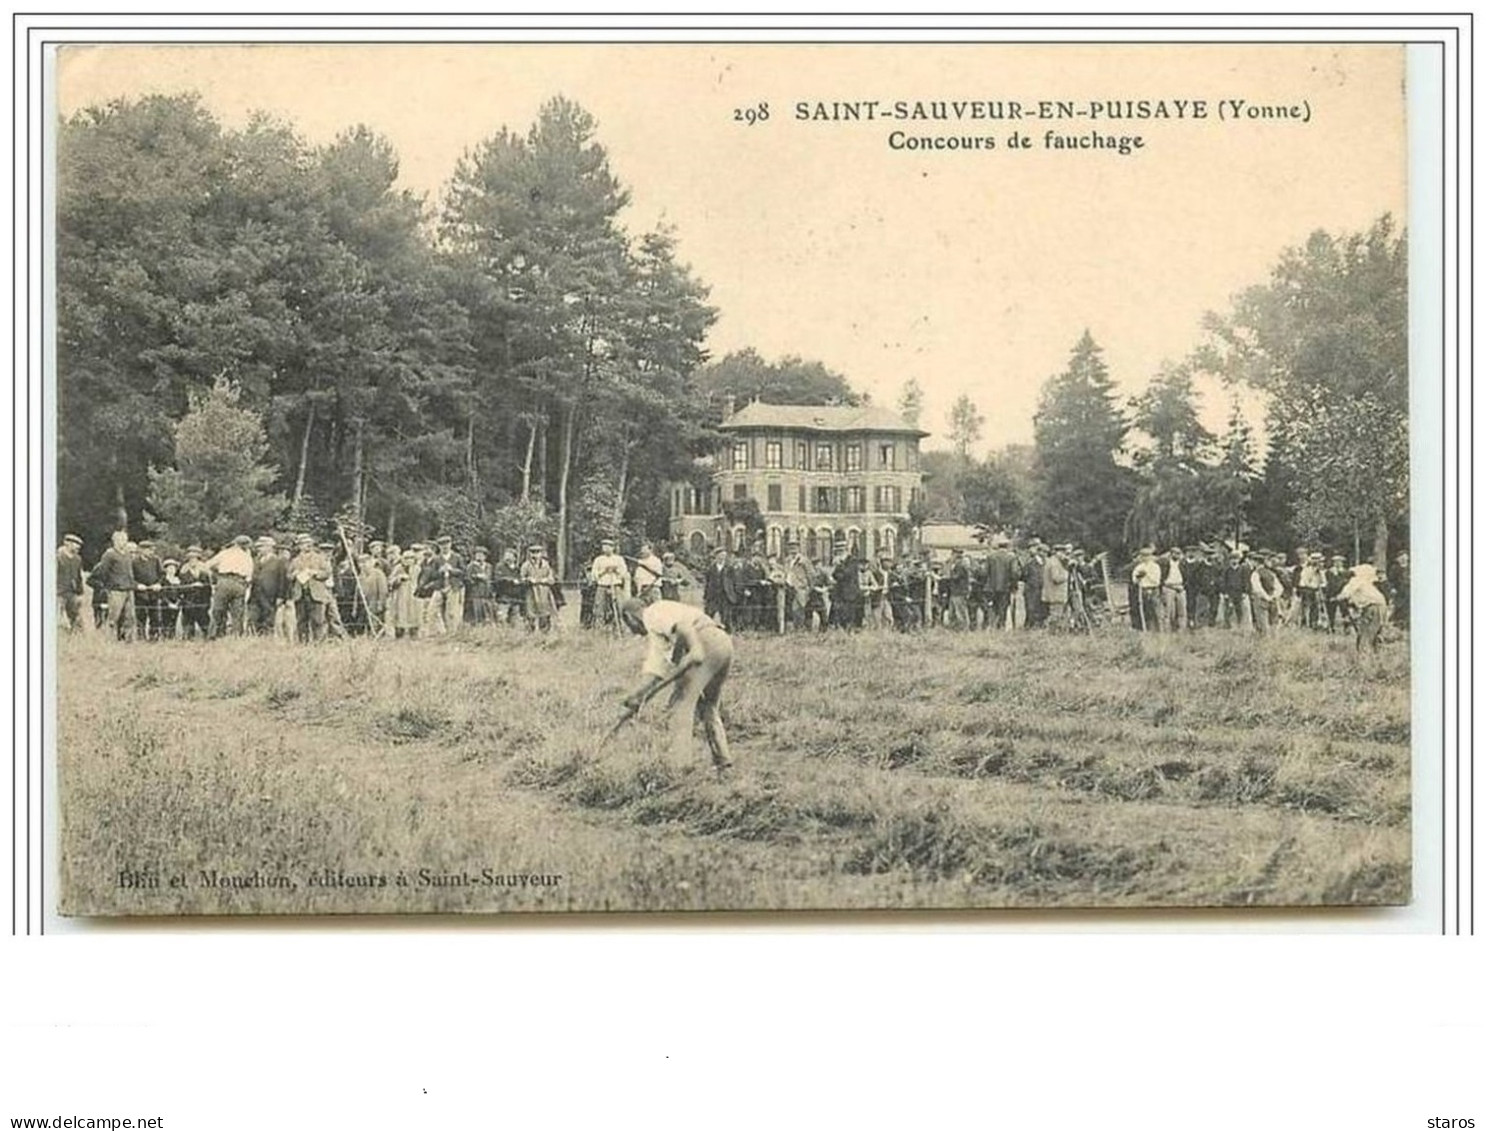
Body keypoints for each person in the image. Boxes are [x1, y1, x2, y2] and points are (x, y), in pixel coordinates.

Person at [618, 597, 733, 772]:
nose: (633, 631)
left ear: (629, 617)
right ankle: (723, 759)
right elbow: (656, 672)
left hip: (705, 641)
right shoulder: (657, 634)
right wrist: (636, 696)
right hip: (723, 643)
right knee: (708, 705)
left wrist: (695, 648)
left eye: (629, 626)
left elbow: (684, 626)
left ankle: (680, 766)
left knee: (679, 704)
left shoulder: (653, 613)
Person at [205, 535, 255, 638]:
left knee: (218, 609)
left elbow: (207, 565)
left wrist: (214, 576)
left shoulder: (225, 553)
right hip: (239, 583)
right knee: (237, 611)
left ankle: (214, 634)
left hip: (224, 581)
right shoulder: (247, 557)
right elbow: (249, 576)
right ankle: (237, 635)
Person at [288, 535, 334, 643]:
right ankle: (303, 643)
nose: (306, 546)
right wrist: (294, 575)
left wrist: (315, 573)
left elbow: (327, 572)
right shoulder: (295, 561)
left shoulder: (320, 558)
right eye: (303, 543)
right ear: (299, 546)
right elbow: (289, 576)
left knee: (318, 621)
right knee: (301, 621)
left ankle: (318, 644)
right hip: (300, 594)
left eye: (309, 543)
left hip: (316, 594)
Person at [94, 530, 137, 640]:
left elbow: (130, 572)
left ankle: (128, 640)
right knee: (113, 617)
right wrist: (109, 586)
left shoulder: (127, 554)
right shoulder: (109, 554)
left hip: (128, 589)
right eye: (121, 540)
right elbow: (102, 572)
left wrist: (133, 585)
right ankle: (109, 639)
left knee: (130, 617)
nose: (124, 542)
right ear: (115, 541)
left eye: (125, 540)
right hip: (116, 590)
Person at [1339, 562, 1388, 653]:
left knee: (1366, 632)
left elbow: (1345, 594)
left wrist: (1336, 598)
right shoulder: (1368, 583)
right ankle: (1376, 652)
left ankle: (1365, 655)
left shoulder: (1356, 581)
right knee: (1375, 630)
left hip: (1373, 606)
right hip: (1381, 606)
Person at [249, 536, 290, 636]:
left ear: (270, 547)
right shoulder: (255, 560)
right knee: (254, 617)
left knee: (268, 618)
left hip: (271, 595)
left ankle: (267, 638)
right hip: (255, 594)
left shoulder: (279, 561)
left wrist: (281, 596)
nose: (259, 549)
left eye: (261, 546)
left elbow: (283, 580)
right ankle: (255, 638)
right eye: (258, 546)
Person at [591, 538, 631, 632]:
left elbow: (624, 573)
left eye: (608, 546)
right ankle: (599, 628)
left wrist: (615, 570)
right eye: (604, 546)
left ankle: (619, 627)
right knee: (599, 607)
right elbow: (594, 574)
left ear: (613, 548)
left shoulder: (619, 559)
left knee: (618, 607)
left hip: (615, 585)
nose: (606, 548)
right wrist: (604, 571)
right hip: (602, 585)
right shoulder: (598, 560)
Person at [520, 544, 558, 632]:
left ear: (541, 553)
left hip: (544, 593)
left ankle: (544, 632)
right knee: (530, 613)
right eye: (533, 552)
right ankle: (529, 632)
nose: (535, 555)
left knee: (545, 613)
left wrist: (544, 580)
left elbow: (551, 579)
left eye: (537, 552)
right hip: (531, 593)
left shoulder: (546, 565)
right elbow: (521, 579)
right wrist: (528, 579)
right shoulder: (526, 565)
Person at [177, 546, 213, 639]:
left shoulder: (204, 573)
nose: (192, 561)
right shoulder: (184, 572)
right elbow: (181, 589)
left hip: (202, 601)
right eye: (190, 559)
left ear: (198, 560)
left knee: (204, 621)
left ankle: (207, 637)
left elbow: (208, 589)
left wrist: (207, 602)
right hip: (188, 602)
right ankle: (188, 638)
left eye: (195, 559)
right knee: (188, 623)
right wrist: (192, 586)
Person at [132, 540, 164, 640]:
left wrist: (158, 584)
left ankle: (154, 636)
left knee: (155, 616)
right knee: (141, 615)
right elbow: (130, 577)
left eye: (152, 550)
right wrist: (137, 585)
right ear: (141, 550)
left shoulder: (156, 560)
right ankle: (141, 636)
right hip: (140, 594)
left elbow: (162, 574)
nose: (151, 552)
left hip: (154, 593)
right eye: (148, 550)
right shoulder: (134, 562)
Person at [984, 535, 1017, 630]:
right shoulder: (1011, 557)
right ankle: (1001, 626)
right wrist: (1014, 586)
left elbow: (985, 572)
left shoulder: (990, 557)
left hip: (991, 586)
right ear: (1007, 547)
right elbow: (1014, 573)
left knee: (992, 607)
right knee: (1003, 607)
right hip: (1005, 587)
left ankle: (992, 625)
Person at [57, 533, 85, 630]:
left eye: (79, 545)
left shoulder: (77, 559)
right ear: (67, 543)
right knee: (59, 620)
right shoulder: (57, 557)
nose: (78, 546)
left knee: (77, 621)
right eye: (75, 543)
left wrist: (80, 593)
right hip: (59, 593)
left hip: (72, 593)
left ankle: (75, 641)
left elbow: (79, 577)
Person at [1042, 544, 1071, 630]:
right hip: (1055, 594)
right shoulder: (1055, 563)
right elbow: (1056, 578)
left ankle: (1053, 631)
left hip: (1054, 593)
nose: (1063, 555)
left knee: (1057, 615)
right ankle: (1050, 631)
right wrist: (1066, 574)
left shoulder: (1052, 561)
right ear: (1057, 552)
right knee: (1055, 615)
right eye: (1062, 553)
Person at [631, 542, 665, 606]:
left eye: (644, 550)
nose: (642, 552)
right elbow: (637, 577)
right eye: (642, 550)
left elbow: (658, 575)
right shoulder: (640, 562)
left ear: (650, 550)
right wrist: (639, 590)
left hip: (653, 589)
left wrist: (650, 586)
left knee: (657, 608)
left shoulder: (656, 561)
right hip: (643, 590)